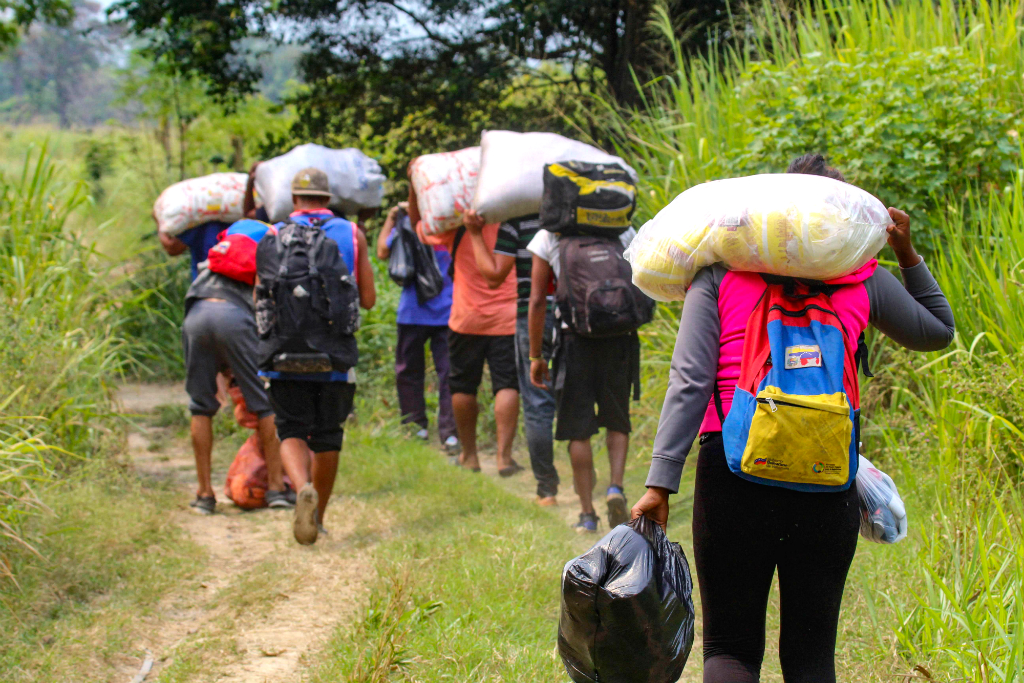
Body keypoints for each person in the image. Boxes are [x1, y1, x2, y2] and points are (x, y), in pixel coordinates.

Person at [630, 154, 956, 682]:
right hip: (827, 480)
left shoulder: (719, 276)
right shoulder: (864, 281)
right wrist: (905, 250)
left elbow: (688, 382)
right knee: (810, 657)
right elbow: (938, 330)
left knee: (730, 650)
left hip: (732, 472)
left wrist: (660, 483)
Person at [257, 167, 376, 545]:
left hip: (283, 354)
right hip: (333, 357)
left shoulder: (273, 234)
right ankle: (319, 515)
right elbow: (369, 299)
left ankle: (302, 486)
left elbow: (261, 299)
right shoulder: (350, 233)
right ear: (328, 199)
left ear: (293, 200)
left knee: (290, 427)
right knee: (327, 435)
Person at [528, 226, 640, 533]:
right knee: (617, 419)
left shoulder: (549, 236)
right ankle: (615, 487)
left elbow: (538, 299)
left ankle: (587, 514)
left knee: (578, 429)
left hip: (573, 339)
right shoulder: (621, 229)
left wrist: (536, 355)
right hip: (619, 337)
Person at [180, 219, 288, 515]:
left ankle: (204, 494)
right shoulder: (266, 253)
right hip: (234, 317)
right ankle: (277, 489)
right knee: (265, 404)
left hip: (196, 315)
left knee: (200, 407)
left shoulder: (217, 256)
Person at [463, 210, 558, 505]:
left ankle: (547, 489)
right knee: (578, 398)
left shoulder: (516, 221)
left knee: (538, 402)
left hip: (533, 317)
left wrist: (476, 234)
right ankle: (597, 490)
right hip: (579, 316)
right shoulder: (573, 214)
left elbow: (494, 275)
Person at [417, 210, 520, 474]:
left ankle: (469, 455)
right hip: (506, 319)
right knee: (507, 384)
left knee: (463, 385)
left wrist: (413, 189)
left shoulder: (456, 225)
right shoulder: (512, 221)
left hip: (466, 319)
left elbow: (421, 225)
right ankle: (504, 458)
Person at [376, 202, 458, 451]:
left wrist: (391, 217)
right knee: (449, 374)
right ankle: (449, 434)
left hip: (413, 311)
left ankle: (416, 427)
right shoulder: (452, 226)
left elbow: (382, 250)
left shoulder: (407, 226)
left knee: (409, 372)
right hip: (449, 311)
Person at [158, 218, 229, 281]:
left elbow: (172, 247)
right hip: (233, 279)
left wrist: (160, 221)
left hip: (204, 281)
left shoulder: (196, 214)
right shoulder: (234, 213)